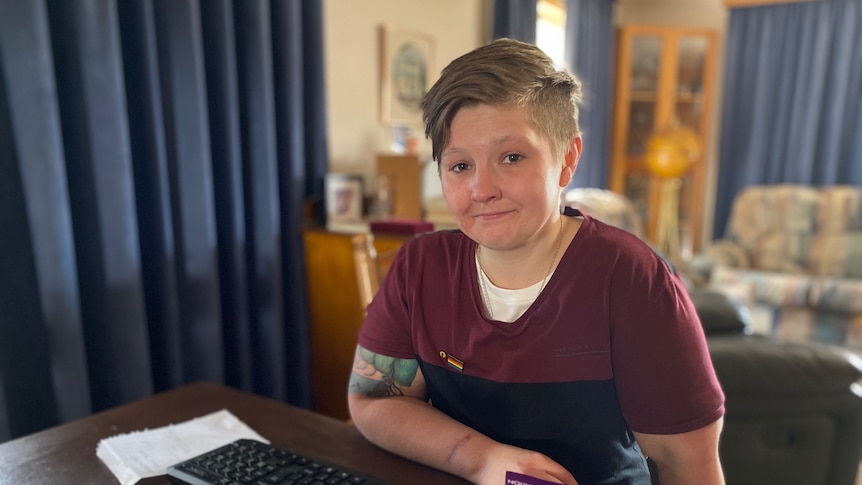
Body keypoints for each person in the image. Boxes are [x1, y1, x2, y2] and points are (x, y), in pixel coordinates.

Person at [347, 38, 725, 485]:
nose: (481, 189)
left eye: (512, 157)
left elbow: (688, 467)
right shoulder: (420, 267)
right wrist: (481, 459)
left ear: (567, 160)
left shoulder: (632, 280)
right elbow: (373, 401)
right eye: (460, 166)